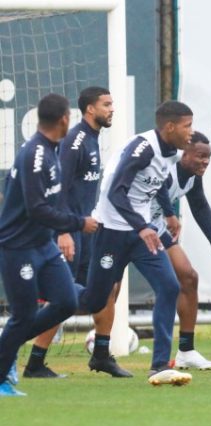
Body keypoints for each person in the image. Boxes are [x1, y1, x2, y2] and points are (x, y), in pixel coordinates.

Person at [78, 100, 194, 386]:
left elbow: (157, 183)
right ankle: (40, 310)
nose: (191, 132)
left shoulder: (170, 152)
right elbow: (117, 193)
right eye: (187, 126)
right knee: (95, 298)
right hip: (112, 231)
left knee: (169, 286)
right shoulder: (142, 149)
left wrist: (168, 213)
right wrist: (142, 226)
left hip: (141, 235)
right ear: (169, 127)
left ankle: (159, 367)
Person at [0, 94, 99, 397]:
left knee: (68, 301)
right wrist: (77, 224)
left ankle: (7, 345)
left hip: (43, 246)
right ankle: (2, 373)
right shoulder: (35, 155)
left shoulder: (53, 149)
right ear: (64, 120)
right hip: (19, 248)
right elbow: (36, 209)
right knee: (24, 315)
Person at [23, 86, 114, 379]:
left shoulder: (93, 139)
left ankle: (101, 354)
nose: (112, 109)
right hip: (69, 232)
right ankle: (30, 357)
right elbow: (58, 186)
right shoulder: (75, 140)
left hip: (85, 231)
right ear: (90, 109)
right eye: (106, 104)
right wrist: (63, 231)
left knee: (100, 291)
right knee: (63, 298)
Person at [149, 131, 211, 369]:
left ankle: (186, 351)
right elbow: (158, 187)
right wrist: (171, 214)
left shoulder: (193, 176)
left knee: (188, 277)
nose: (205, 161)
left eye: (208, 157)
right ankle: (101, 347)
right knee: (107, 290)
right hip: (128, 225)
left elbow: (200, 205)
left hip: (155, 227)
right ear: (184, 153)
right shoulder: (167, 166)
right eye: (200, 156)